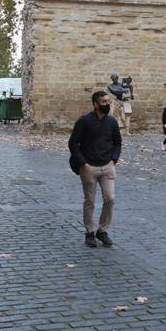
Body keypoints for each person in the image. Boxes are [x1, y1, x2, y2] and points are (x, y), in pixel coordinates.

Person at [69, 90, 122, 248]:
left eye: (108, 101)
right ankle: (90, 232)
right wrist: (83, 163)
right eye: (104, 102)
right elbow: (73, 143)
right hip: (89, 167)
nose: (107, 104)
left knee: (110, 199)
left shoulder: (112, 122)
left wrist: (113, 160)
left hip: (107, 166)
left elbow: (117, 143)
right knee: (90, 201)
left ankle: (103, 230)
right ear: (95, 104)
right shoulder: (84, 121)